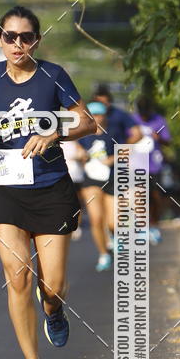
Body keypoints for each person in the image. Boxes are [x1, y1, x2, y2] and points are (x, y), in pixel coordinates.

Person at [0, 5, 93, 359]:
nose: (18, 44)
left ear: (38, 39)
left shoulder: (53, 75)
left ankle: (53, 308)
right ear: (0, 39)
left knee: (51, 285)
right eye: (10, 37)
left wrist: (55, 134)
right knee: (17, 276)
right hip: (6, 190)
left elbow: (86, 121)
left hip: (51, 189)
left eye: (27, 37)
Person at [93, 83, 141, 238]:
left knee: (120, 208)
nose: (103, 106)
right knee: (98, 214)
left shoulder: (120, 115)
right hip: (95, 169)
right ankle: (108, 242)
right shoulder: (89, 115)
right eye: (100, 103)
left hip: (117, 166)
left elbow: (137, 133)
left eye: (106, 102)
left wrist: (122, 150)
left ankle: (123, 232)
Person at [77, 102, 115, 271]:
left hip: (112, 177)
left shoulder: (113, 133)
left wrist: (112, 159)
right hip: (91, 180)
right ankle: (103, 254)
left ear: (104, 116)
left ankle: (113, 239)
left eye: (100, 114)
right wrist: (81, 155)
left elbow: (127, 149)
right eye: (94, 115)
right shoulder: (82, 135)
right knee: (96, 219)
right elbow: (74, 150)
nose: (97, 118)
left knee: (114, 222)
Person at [132, 95, 172, 243]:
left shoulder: (159, 120)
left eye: (146, 113)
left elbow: (168, 141)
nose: (144, 116)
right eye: (141, 113)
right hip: (136, 165)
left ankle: (154, 226)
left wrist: (159, 138)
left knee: (155, 197)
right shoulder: (131, 120)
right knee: (140, 197)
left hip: (155, 166)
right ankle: (142, 227)